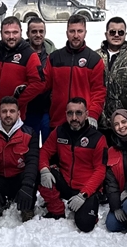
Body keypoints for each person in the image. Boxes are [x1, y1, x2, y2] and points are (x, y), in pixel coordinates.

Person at [21, 14, 106, 130]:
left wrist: (93, 114)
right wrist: (21, 92)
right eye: (72, 31)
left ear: (85, 32)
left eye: (79, 31)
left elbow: (99, 92)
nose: (76, 35)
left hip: (83, 122)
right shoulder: (55, 58)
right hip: (58, 120)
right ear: (67, 33)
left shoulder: (94, 60)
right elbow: (42, 84)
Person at [38, 97, 108, 233]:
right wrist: (44, 169)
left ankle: (89, 206)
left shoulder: (98, 138)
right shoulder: (59, 132)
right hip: (65, 182)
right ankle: (57, 210)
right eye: (70, 113)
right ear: (66, 114)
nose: (74, 117)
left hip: (86, 189)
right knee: (39, 172)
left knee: (85, 225)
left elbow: (100, 170)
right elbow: (44, 151)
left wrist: (84, 194)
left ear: (87, 114)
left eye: (78, 113)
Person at [0, 96, 39, 221]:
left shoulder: (29, 133)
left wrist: (27, 187)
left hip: (19, 178)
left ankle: (27, 207)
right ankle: (0, 203)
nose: (8, 115)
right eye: (4, 111)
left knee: (35, 174)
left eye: (12, 111)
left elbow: (32, 162)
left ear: (18, 113)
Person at [0, 17, 35, 131]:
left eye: (15, 32)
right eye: (7, 33)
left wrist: (17, 103)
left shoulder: (29, 54)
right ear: (1, 33)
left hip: (13, 117)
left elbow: (38, 83)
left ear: (21, 32)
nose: (11, 37)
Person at [20, 16, 55, 143]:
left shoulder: (53, 54)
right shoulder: (20, 54)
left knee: (49, 144)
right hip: (27, 109)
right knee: (29, 145)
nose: (38, 35)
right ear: (27, 34)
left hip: (48, 109)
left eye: (41, 31)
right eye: (34, 32)